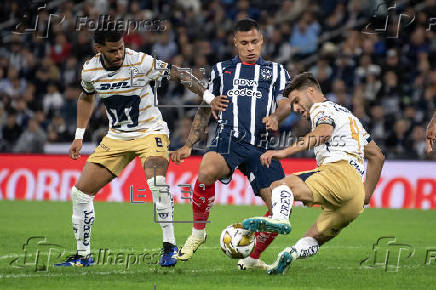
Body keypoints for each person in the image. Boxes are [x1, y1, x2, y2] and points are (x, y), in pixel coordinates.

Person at [55, 19, 214, 268]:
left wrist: (208, 96)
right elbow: (86, 98)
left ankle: (169, 246)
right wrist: (79, 135)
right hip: (117, 137)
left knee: (157, 183)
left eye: (121, 48)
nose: (119, 54)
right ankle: (82, 256)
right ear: (99, 48)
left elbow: (179, 74)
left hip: (151, 132)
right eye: (112, 50)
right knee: (80, 193)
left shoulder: (141, 61)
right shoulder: (90, 70)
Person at [171, 18, 291, 270]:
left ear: (262, 41)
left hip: (262, 146)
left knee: (280, 209)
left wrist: (276, 117)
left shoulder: (277, 71)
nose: (250, 47)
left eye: (255, 42)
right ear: (235, 43)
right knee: (206, 170)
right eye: (244, 43)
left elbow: (285, 103)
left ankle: (252, 257)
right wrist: (188, 145)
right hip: (229, 138)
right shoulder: (221, 70)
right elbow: (206, 108)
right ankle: (198, 233)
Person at [242, 72, 385, 274]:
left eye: (297, 101)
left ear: (311, 91)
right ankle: (290, 254)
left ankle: (280, 218)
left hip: (338, 172)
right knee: (315, 236)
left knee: (280, 186)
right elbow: (377, 156)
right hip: (354, 195)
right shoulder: (350, 117)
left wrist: (283, 152)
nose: (296, 109)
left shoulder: (321, 107)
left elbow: (323, 132)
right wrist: (366, 194)